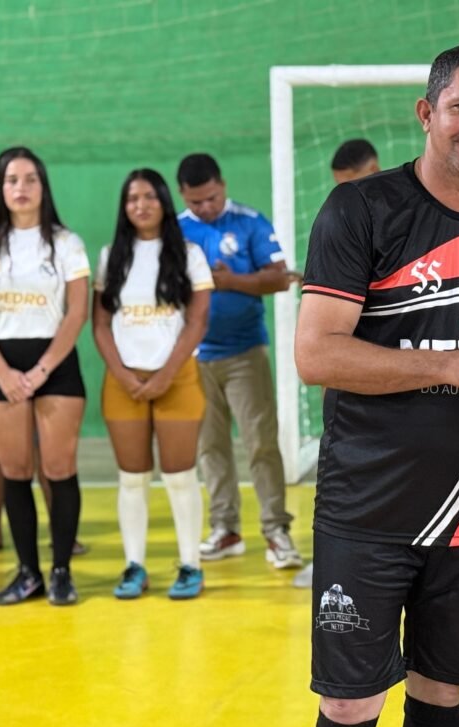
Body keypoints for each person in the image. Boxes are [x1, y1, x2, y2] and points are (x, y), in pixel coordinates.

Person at [295, 44, 459, 727]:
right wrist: (453, 363)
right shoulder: (361, 209)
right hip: (366, 505)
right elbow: (317, 355)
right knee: (349, 702)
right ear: (427, 112)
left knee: (441, 692)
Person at [0, 146, 89, 605]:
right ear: (1, 187)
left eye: (30, 179)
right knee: (14, 471)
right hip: (3, 366)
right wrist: (1, 370)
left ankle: (61, 572)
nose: (21, 188)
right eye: (12, 180)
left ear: (43, 186)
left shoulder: (66, 242)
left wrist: (40, 370)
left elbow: (77, 312)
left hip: (55, 366)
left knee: (58, 469)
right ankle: (28, 573)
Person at [176, 153, 303, 570]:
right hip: (193, 358)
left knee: (261, 443)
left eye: (211, 198)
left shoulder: (250, 222)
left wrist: (231, 281)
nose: (205, 207)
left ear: (223, 186)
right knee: (209, 447)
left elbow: (280, 277)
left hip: (245, 354)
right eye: (195, 202)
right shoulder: (175, 231)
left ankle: (276, 531)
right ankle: (225, 529)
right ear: (182, 196)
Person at [93, 169, 214, 599]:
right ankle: (134, 566)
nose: (140, 205)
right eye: (132, 199)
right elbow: (100, 324)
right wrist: (124, 374)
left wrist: (165, 375)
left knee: (180, 476)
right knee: (132, 478)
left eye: (148, 197)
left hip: (176, 378)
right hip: (123, 381)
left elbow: (197, 321)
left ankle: (190, 565)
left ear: (164, 201)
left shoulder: (190, 254)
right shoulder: (111, 256)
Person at [292, 140, 385, 592]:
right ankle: (328, 557)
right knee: (340, 465)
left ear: (375, 168)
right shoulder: (339, 221)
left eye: (353, 182)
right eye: (339, 186)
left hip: (395, 370)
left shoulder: (404, 220)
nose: (346, 193)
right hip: (348, 370)